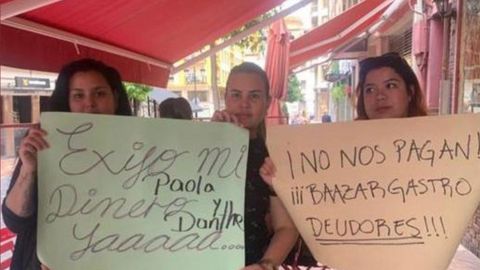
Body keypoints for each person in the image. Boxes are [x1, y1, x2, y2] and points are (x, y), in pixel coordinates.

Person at [259, 52, 428, 268]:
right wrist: (280, 182)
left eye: (391, 85)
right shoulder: (341, 152)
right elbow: (313, 200)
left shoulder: (434, 149)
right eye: (370, 89)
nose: (379, 96)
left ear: (410, 92)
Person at [2, 58, 132, 270]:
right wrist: (28, 169)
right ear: (67, 101)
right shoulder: (42, 140)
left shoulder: (142, 147)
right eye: (78, 95)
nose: (89, 103)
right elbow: (14, 221)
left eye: (99, 93)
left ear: (115, 98)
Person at [212, 62, 298, 270]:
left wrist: (265, 266)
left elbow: (286, 227)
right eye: (236, 95)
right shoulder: (199, 147)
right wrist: (212, 137)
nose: (244, 104)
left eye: (254, 96)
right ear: (225, 98)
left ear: (267, 102)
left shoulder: (274, 156)